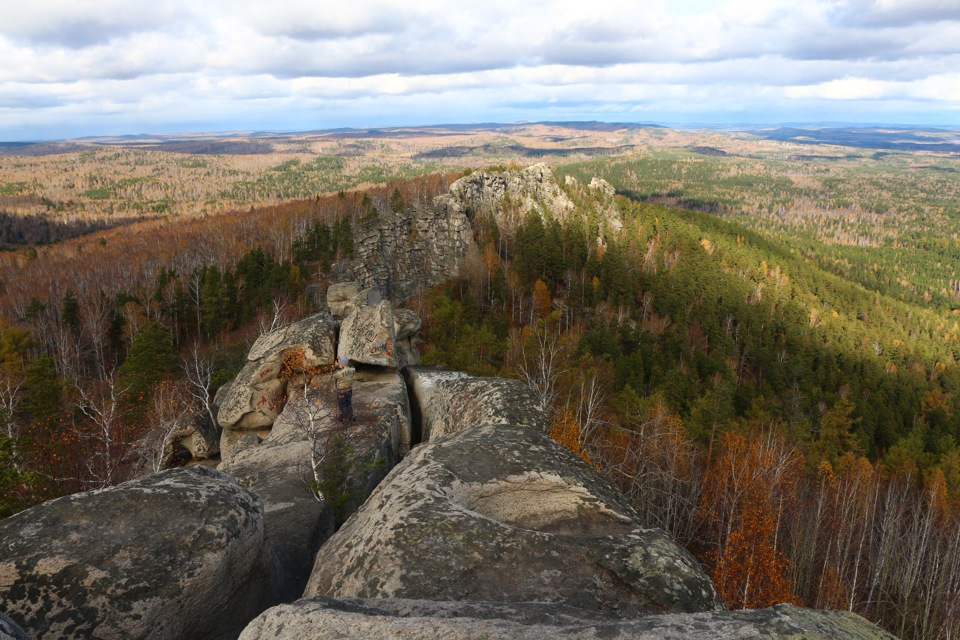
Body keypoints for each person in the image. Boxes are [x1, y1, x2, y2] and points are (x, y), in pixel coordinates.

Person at [334, 356, 355, 423]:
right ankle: (350, 415)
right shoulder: (352, 369)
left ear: (342, 363)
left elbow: (334, 375)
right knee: (348, 404)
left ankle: (347, 419)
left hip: (342, 391)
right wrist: (341, 364)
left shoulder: (340, 373)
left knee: (342, 405)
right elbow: (346, 368)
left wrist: (336, 366)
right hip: (349, 390)